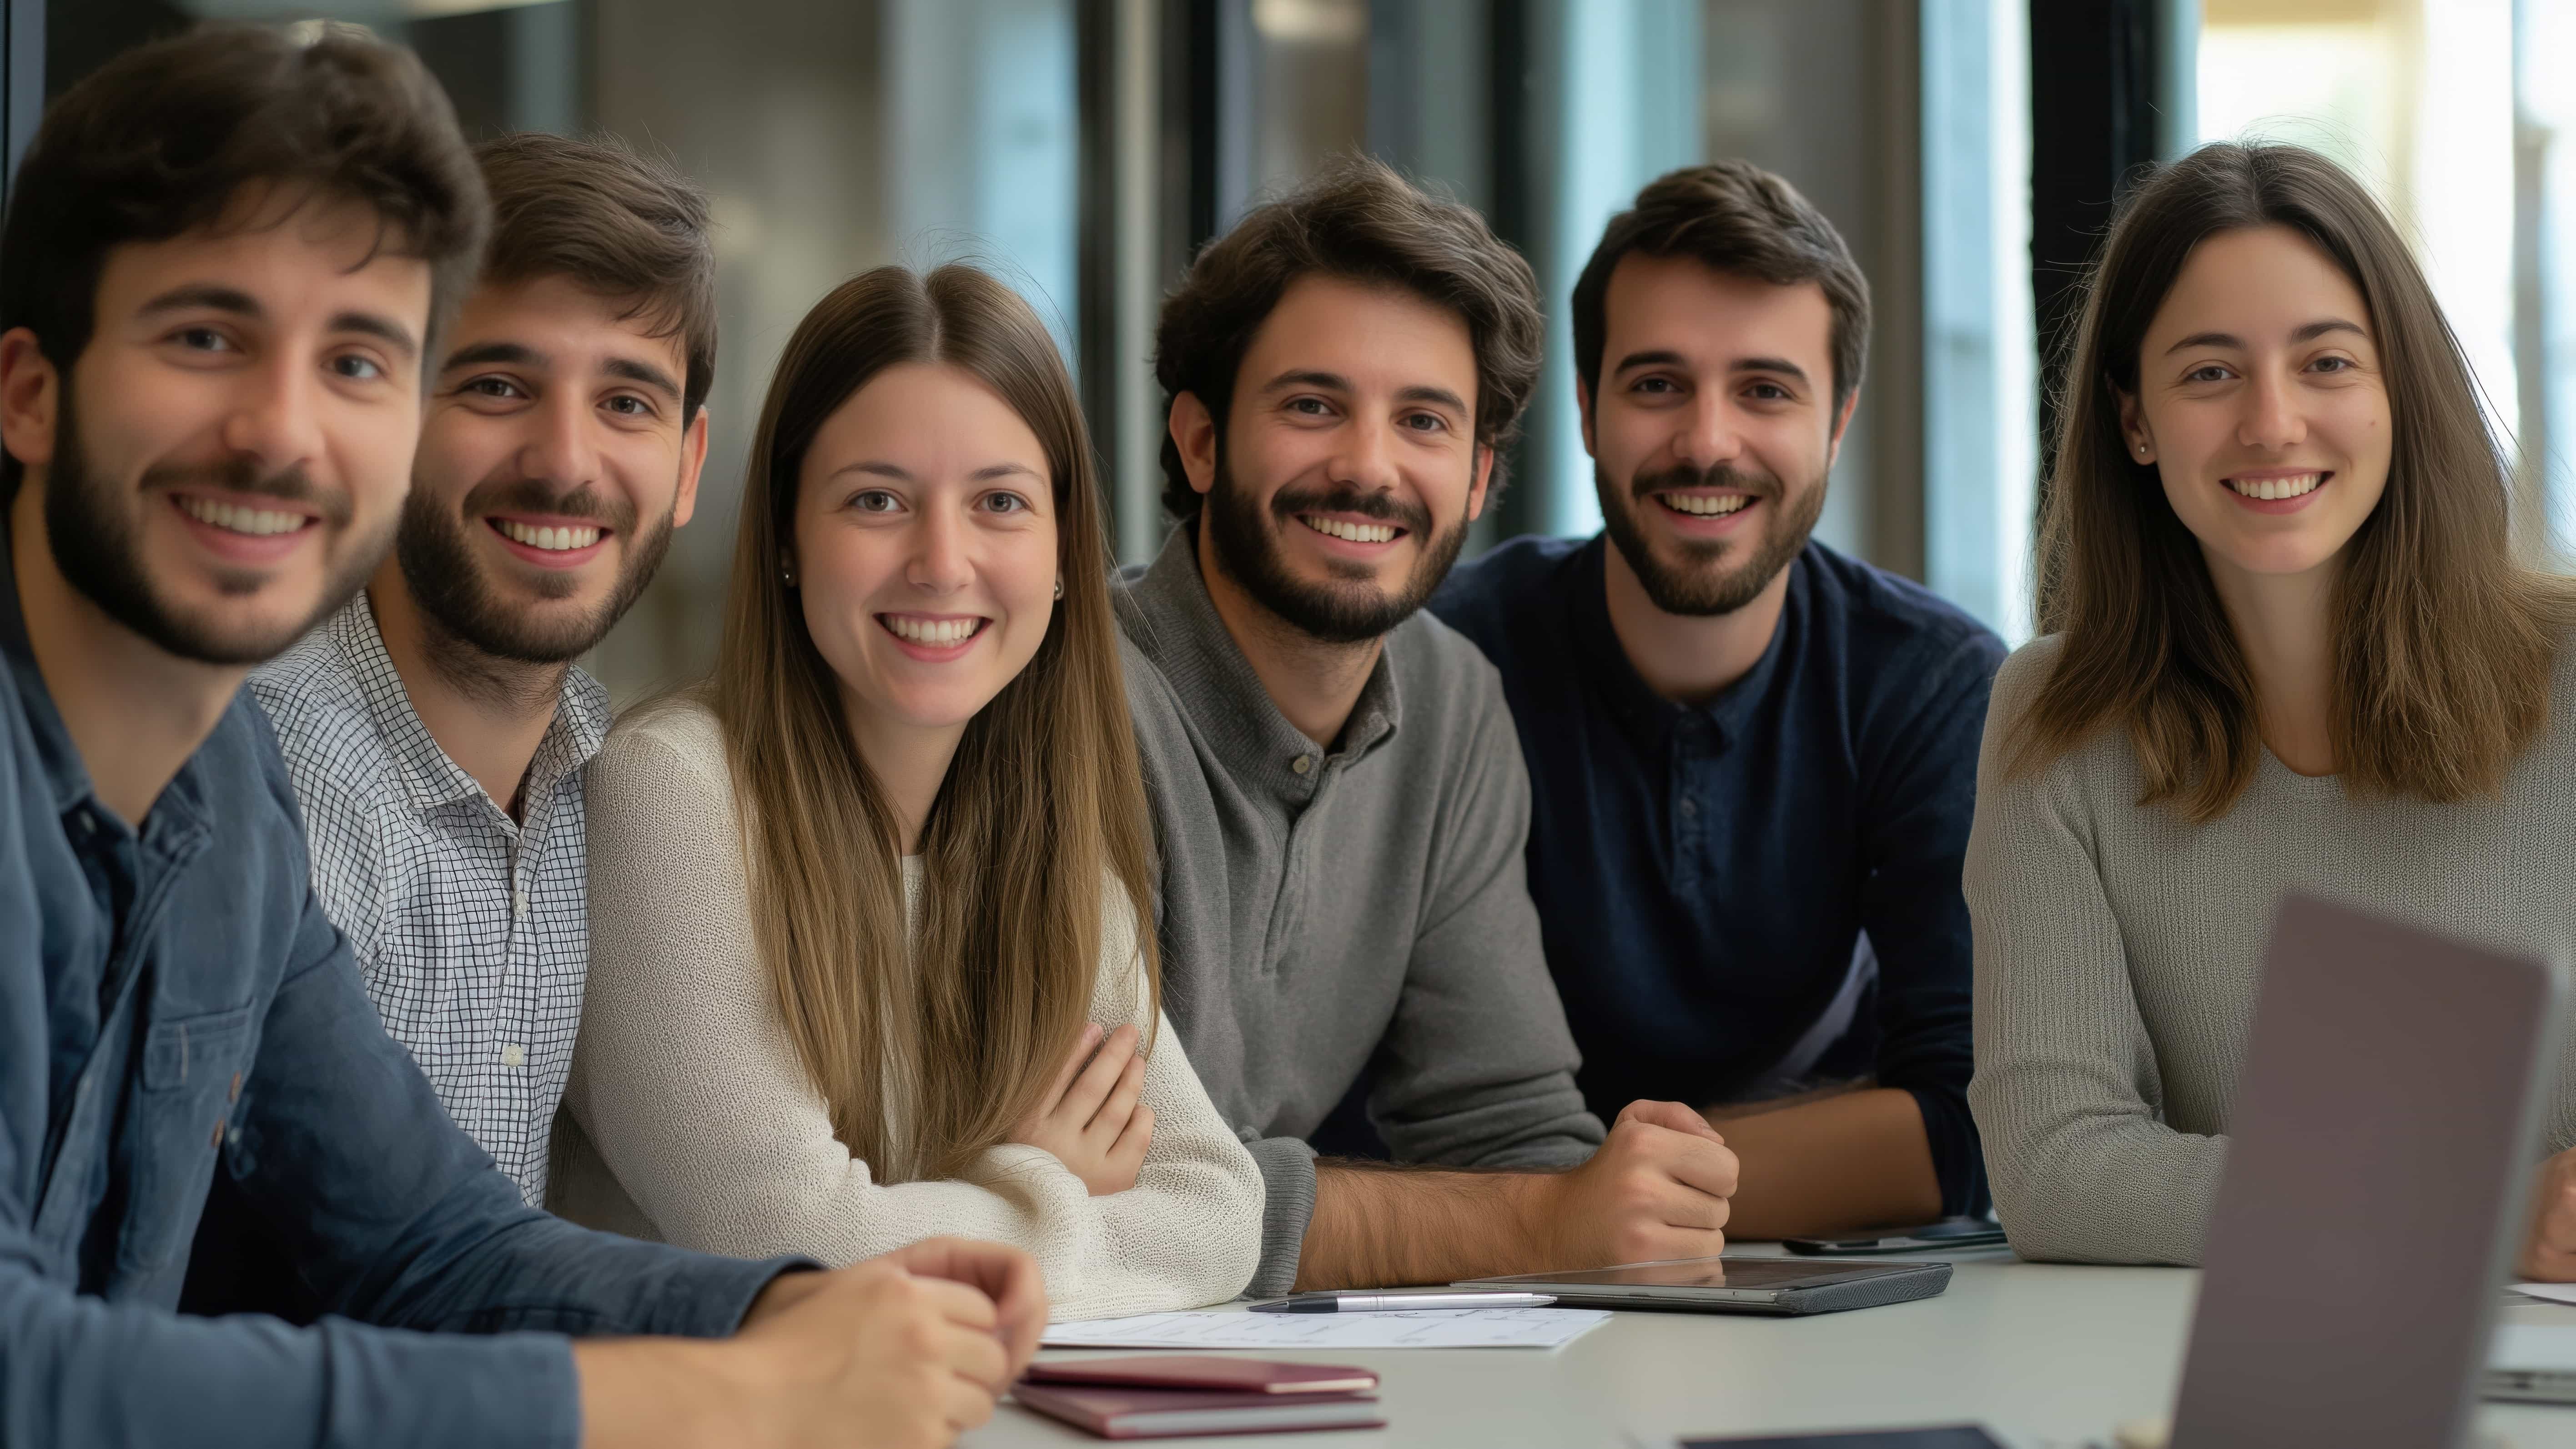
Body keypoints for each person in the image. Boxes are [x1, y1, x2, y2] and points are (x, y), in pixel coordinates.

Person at [0, 25, 1040, 1447]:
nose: (282, 431)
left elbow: (430, 1240)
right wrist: (719, 1394)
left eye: (357, 362)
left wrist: (791, 1311)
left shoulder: (225, 796)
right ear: (30, 392)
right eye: (205, 337)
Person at [550, 264, 1266, 1319]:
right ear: (789, 538)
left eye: (1001, 504)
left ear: (1064, 553)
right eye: (877, 500)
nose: (942, 561)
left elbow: (1221, 1215)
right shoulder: (672, 798)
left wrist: (947, 1223)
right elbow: (798, 1244)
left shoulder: (1050, 843)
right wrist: (1039, 1180)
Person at [1125, 156, 1741, 1297]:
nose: (1368, 468)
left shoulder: (1453, 700)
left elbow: (1503, 1124)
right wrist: (1537, 1224)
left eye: (1423, 420)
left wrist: (1631, 1213)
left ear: (1475, 478)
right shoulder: (1068, 702)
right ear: (1202, 442)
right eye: (1313, 406)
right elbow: (1121, 1196)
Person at [1966, 140, 2576, 1272]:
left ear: (2402, 391)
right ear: (2136, 424)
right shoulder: (2054, 720)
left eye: (2328, 363)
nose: (2273, 423)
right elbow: (2056, 1171)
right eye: (2209, 373)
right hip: (2227, 1377)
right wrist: (2482, 1205)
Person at [1429, 161, 1999, 1239]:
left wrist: (1596, 1201)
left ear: (1838, 423)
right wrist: (1565, 1213)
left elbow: (1973, 1121)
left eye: (1766, 390)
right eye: (1657, 385)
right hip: (1468, 1276)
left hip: (1811, 1270)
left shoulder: (1931, 684)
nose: (1708, 442)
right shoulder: (1449, 655)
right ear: (1590, 412)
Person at [247, 131, 711, 1207]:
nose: (564, 461)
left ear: (687, 467)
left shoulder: (598, 779)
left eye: (628, 402)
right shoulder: (268, 775)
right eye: (499, 385)